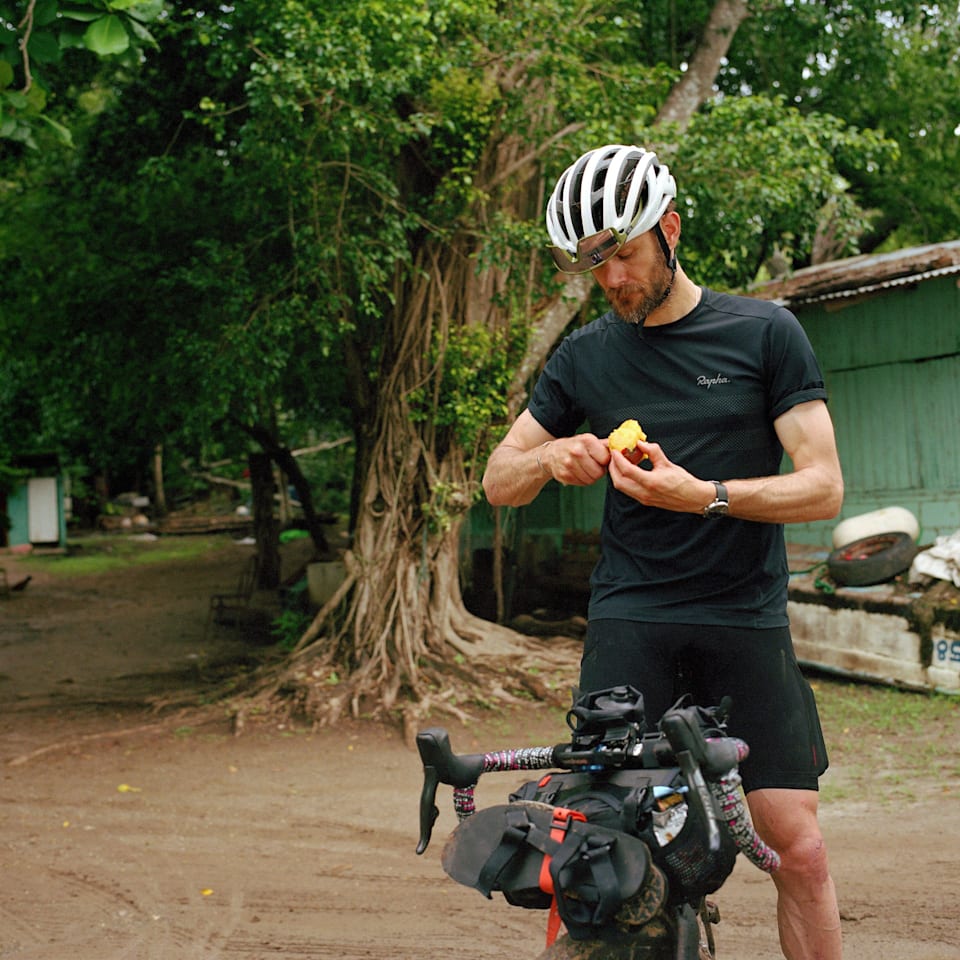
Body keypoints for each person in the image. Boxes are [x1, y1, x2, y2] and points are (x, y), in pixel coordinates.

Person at [482, 144, 844, 960]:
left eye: (625, 255)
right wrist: (547, 459)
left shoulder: (764, 333)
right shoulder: (583, 358)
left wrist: (706, 494)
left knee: (800, 849)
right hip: (632, 619)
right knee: (594, 850)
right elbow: (497, 480)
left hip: (742, 616)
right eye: (593, 265)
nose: (612, 282)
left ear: (670, 229)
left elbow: (823, 487)